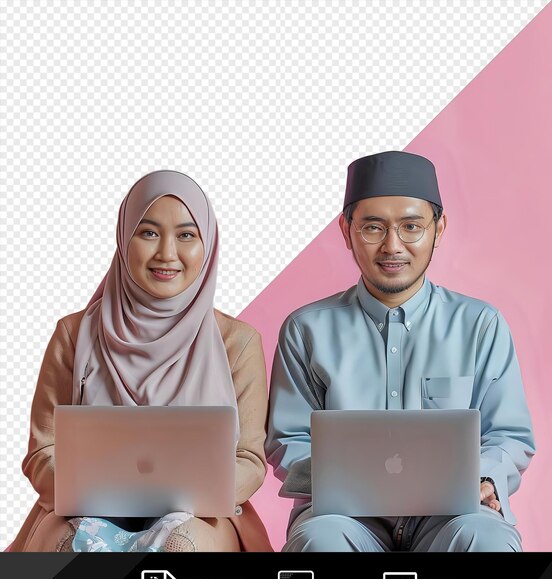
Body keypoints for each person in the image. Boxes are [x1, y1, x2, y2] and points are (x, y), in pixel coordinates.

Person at [265, 150, 535, 552]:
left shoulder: (481, 325)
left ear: (438, 228)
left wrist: (483, 477)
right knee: (320, 543)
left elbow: (508, 434)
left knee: (488, 539)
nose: (393, 246)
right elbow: (288, 437)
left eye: (411, 226)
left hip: (452, 514)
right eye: (373, 227)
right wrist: (343, 478)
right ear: (346, 229)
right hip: (343, 516)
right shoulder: (306, 330)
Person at [12, 170, 272, 552]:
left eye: (186, 235)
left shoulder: (238, 342)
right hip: (84, 510)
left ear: (209, 244)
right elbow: (42, 452)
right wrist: (94, 492)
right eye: (148, 232)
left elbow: (249, 458)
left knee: (182, 547)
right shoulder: (74, 334)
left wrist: (188, 496)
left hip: (198, 513)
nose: (167, 253)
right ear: (124, 237)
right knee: (70, 548)